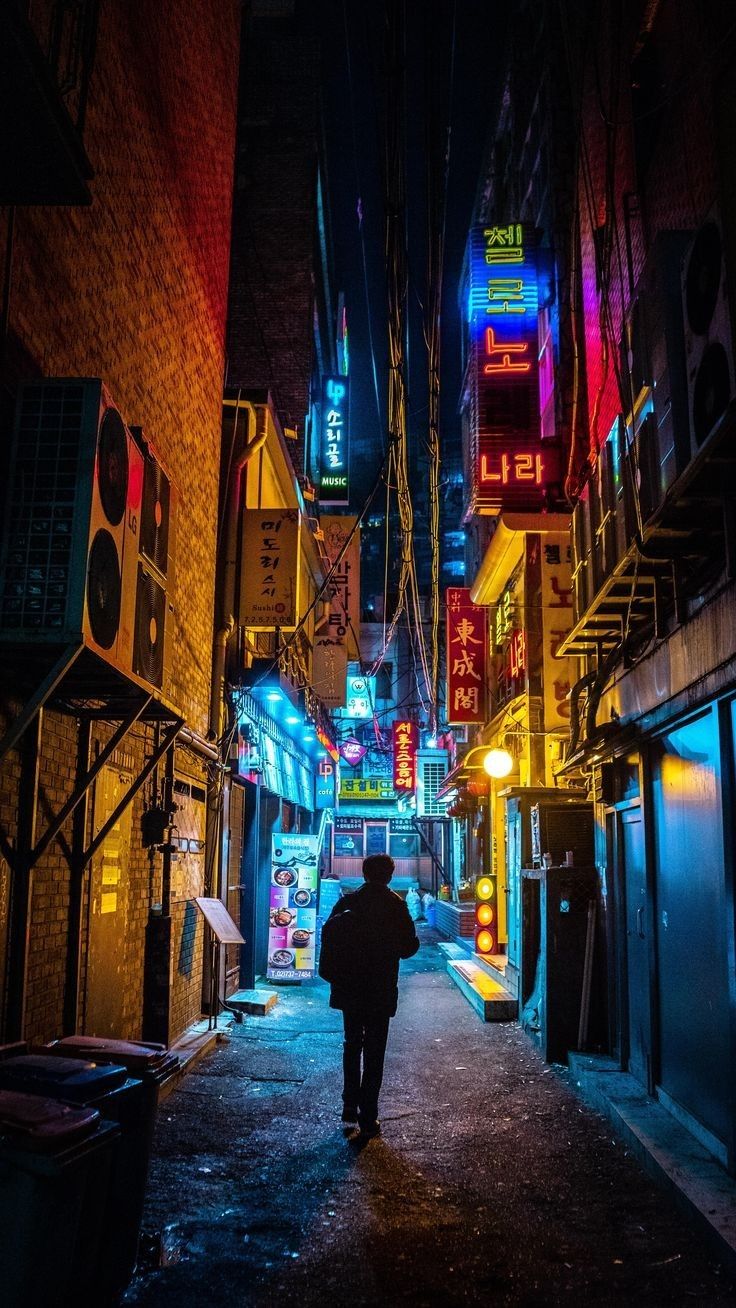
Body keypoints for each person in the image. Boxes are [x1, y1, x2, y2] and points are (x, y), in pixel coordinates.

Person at [319, 853, 420, 1139]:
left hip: (349, 989)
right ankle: (369, 1116)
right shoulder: (395, 907)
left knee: (352, 1045)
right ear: (388, 875)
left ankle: (349, 1105)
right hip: (380, 989)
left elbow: (330, 939)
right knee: (375, 1052)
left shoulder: (348, 902)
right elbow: (407, 947)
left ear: (364, 874)